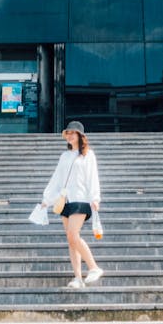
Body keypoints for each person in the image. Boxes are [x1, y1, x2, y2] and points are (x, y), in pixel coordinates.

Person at [42, 120, 103, 289]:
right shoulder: (64, 156)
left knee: (73, 234)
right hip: (66, 201)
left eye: (72, 133)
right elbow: (56, 178)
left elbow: (93, 177)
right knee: (71, 240)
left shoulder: (88, 155)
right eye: (67, 133)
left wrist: (95, 198)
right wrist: (47, 198)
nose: (69, 136)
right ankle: (77, 278)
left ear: (80, 136)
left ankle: (93, 267)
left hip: (81, 199)